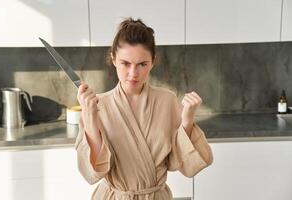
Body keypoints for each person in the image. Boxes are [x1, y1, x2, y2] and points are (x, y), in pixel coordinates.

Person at [75, 17, 213, 200]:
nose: (133, 74)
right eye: (125, 63)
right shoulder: (97, 105)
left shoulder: (167, 100)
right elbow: (92, 173)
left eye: (142, 64)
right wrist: (90, 117)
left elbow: (182, 164)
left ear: (153, 62)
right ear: (113, 59)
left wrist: (187, 121)